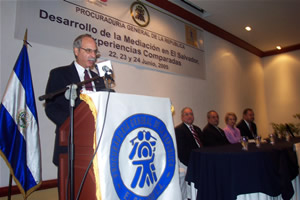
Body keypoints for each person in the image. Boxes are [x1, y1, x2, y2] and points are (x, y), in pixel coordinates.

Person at [44, 34, 106, 180]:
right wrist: (75, 125)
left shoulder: (99, 80)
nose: (93, 55)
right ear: (76, 51)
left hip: (98, 145)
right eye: (88, 51)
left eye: (94, 52)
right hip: (71, 144)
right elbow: (51, 108)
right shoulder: (59, 74)